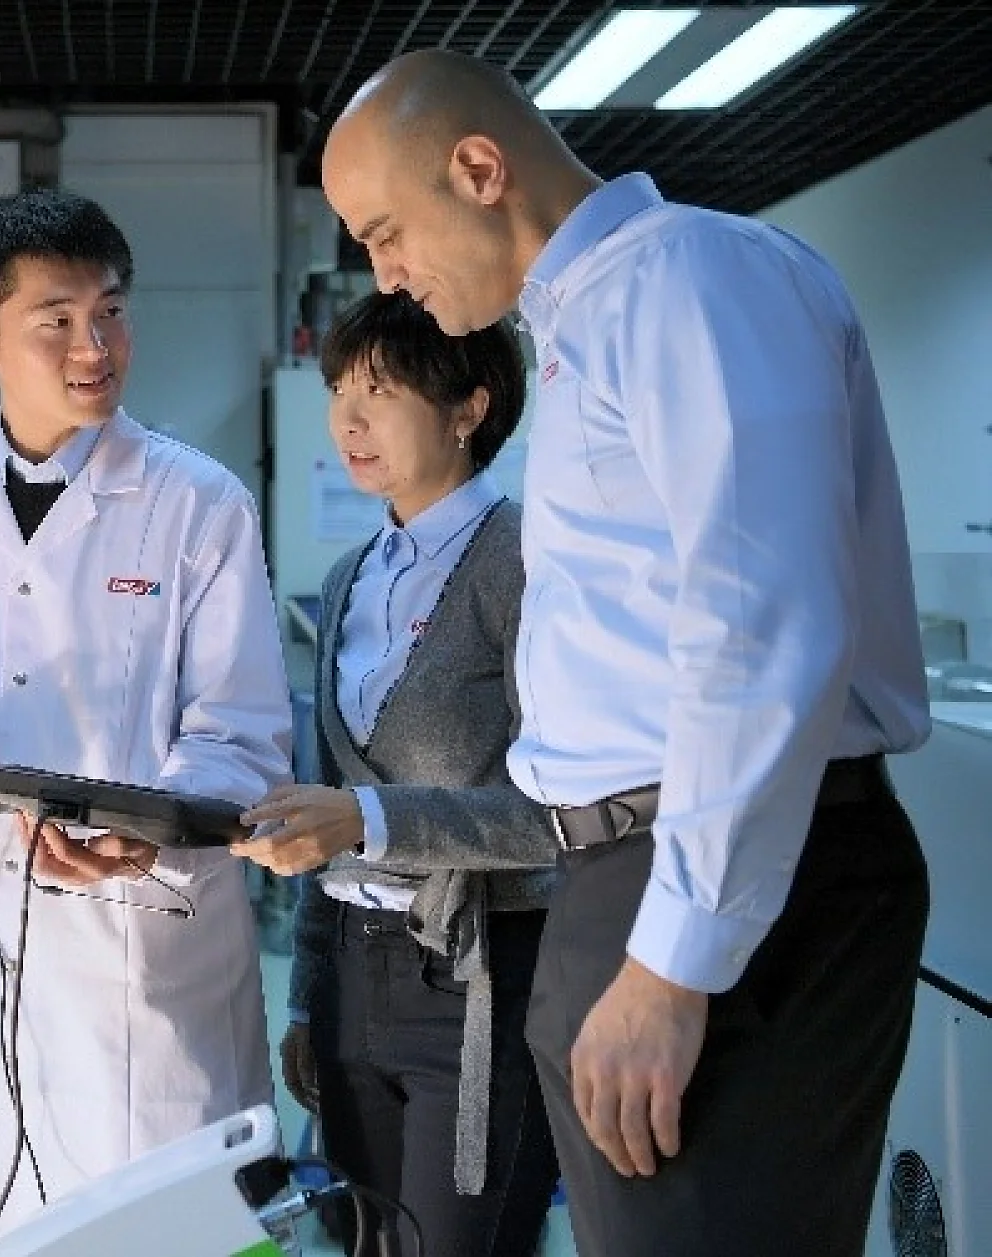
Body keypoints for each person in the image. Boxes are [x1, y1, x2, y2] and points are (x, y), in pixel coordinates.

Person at [318, 49, 931, 1257]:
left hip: (716, 888)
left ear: (479, 168)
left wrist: (673, 962)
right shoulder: (582, 322)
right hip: (624, 876)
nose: (383, 275)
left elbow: (759, 624)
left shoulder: (690, 280)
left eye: (386, 232)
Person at [0, 187, 292, 1256]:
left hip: (146, 930)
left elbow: (239, 726)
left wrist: (156, 822)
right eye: (57, 320)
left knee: (165, 1233)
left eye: (112, 311)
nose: (96, 346)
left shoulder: (199, 502)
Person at [235, 290, 558, 1257]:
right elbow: (326, 810)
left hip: (485, 973)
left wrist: (368, 816)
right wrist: (305, 999)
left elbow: (560, 815)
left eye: (380, 391)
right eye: (339, 390)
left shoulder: (525, 560)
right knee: (364, 1239)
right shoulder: (349, 578)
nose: (348, 420)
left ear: (470, 406)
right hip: (352, 983)